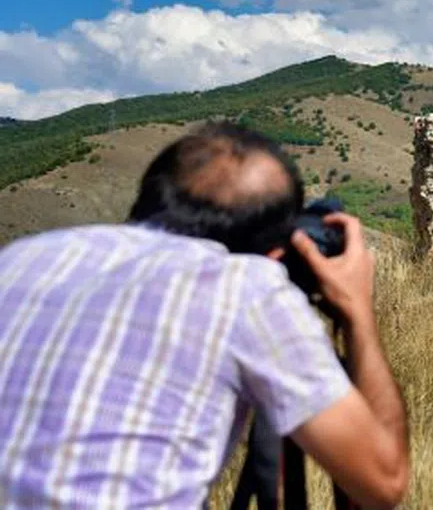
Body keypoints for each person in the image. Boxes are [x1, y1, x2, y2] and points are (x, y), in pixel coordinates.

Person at [0, 122, 410, 508]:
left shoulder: (21, 258)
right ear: (275, 250)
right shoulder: (246, 289)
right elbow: (383, 483)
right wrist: (357, 310)